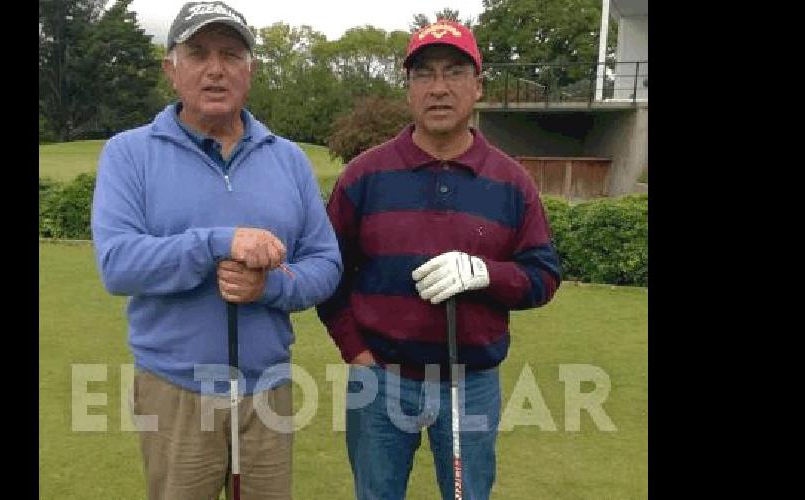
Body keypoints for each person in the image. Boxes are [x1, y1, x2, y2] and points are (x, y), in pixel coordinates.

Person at [91, 2, 342, 499]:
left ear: (249, 71)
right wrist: (217, 243)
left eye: (230, 55)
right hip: (175, 392)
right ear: (171, 68)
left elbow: (325, 264)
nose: (215, 69)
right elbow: (117, 264)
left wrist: (269, 287)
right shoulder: (129, 153)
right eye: (198, 53)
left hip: (268, 391)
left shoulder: (287, 159)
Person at [316, 19, 563, 500]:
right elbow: (329, 272)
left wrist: (486, 274)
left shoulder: (512, 182)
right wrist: (356, 353)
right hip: (380, 379)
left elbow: (543, 276)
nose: (439, 88)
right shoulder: (364, 175)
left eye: (454, 72)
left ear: (478, 86)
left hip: (470, 384)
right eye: (424, 74)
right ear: (408, 90)